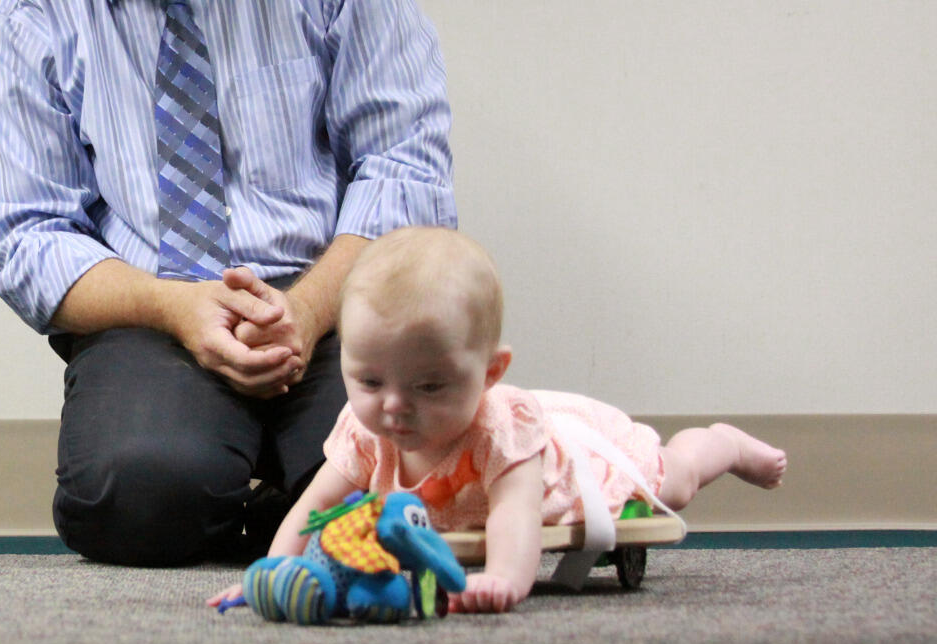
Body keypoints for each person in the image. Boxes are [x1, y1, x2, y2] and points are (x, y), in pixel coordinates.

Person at [0, 0, 455, 566]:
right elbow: (26, 239)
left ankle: (282, 504)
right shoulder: (33, 20)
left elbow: (406, 166)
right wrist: (174, 305)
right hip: (156, 322)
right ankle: (287, 515)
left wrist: (306, 311)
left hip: (341, 305)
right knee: (131, 499)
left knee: (408, 486)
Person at [208, 226, 787, 613]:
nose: (394, 405)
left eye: (429, 385)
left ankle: (720, 443)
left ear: (490, 373)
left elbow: (515, 513)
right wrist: (272, 577)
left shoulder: (498, 429)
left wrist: (507, 579)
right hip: (475, 500)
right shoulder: (366, 431)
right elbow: (312, 509)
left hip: (571, 469)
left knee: (675, 479)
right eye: (369, 381)